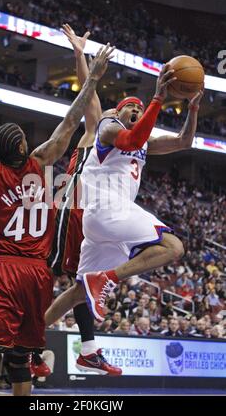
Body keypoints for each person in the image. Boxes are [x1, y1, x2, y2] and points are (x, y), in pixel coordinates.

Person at [0, 45, 114, 396]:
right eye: (21, 136)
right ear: (19, 147)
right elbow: (70, 121)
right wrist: (92, 78)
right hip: (38, 273)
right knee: (19, 359)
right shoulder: (41, 160)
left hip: (4, 268)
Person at [44, 57, 203, 324]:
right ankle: (107, 278)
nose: (135, 111)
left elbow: (184, 141)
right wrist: (157, 98)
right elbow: (132, 139)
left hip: (104, 222)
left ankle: (28, 346)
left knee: (78, 293)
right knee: (174, 247)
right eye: (129, 107)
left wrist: (194, 109)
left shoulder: (145, 142)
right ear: (116, 113)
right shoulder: (108, 128)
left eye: (139, 110)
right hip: (107, 208)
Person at [46, 24, 121, 376]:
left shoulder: (126, 149)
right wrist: (79, 54)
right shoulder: (97, 131)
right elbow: (89, 96)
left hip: (91, 215)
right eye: (118, 115)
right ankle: (21, 334)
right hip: (71, 204)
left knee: (82, 283)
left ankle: (88, 349)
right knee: (46, 272)